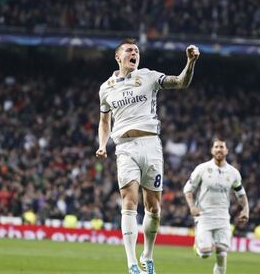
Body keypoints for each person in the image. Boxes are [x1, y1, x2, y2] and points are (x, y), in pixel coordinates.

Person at [96, 38, 200, 274]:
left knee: (153, 208)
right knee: (129, 202)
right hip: (124, 147)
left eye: (137, 51)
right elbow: (104, 121)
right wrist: (103, 144)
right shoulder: (106, 88)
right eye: (129, 50)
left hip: (150, 144)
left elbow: (180, 83)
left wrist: (190, 62)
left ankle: (147, 255)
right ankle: (132, 263)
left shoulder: (149, 76)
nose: (135, 53)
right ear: (118, 57)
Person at [183, 138, 249, 274]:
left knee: (222, 255)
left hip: (223, 217)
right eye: (216, 147)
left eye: (222, 147)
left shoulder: (233, 173)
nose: (219, 149)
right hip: (204, 215)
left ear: (227, 151)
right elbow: (188, 189)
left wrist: (246, 209)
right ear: (212, 150)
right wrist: (192, 206)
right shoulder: (202, 169)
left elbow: (241, 194)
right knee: (205, 253)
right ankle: (198, 247)